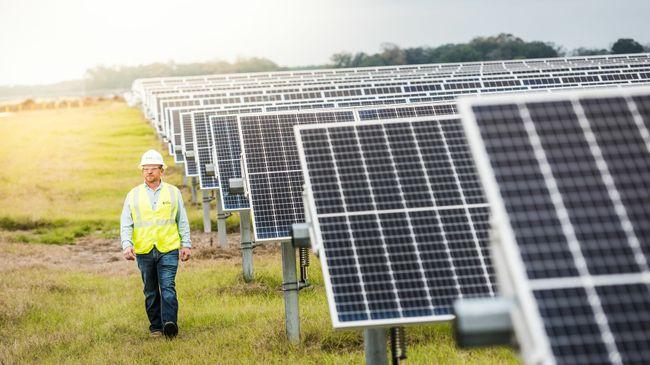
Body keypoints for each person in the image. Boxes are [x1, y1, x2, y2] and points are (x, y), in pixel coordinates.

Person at [120, 149, 191, 338]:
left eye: (153, 168)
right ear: (142, 171)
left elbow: (181, 220)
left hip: (168, 248)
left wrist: (186, 244)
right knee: (151, 291)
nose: (149, 172)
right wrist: (127, 245)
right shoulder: (133, 195)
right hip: (144, 250)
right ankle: (156, 327)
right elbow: (126, 222)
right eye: (145, 169)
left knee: (168, 287)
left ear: (162, 171)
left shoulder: (173, 193)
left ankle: (169, 324)